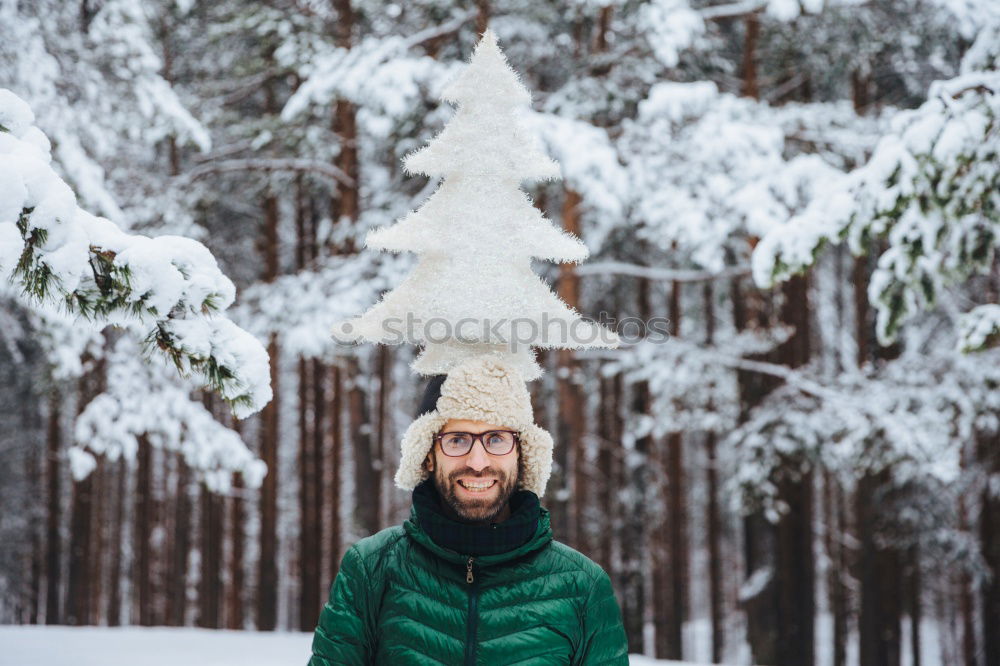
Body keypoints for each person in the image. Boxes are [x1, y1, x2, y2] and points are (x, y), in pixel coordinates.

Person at [308, 354, 629, 665]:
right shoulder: (370, 569)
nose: (478, 462)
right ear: (429, 454)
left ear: (522, 454)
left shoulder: (582, 586)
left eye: (496, 439)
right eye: (458, 440)